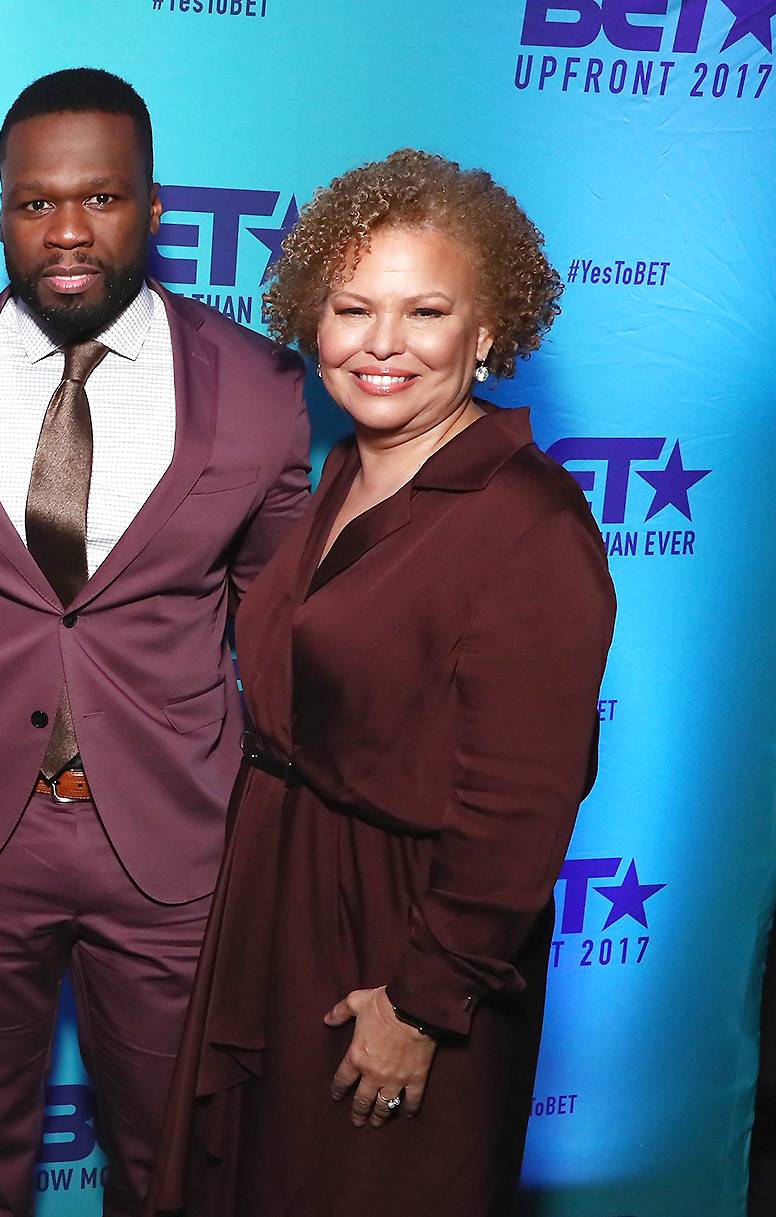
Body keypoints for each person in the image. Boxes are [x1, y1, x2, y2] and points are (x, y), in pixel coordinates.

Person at [0, 68, 312, 1215]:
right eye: (35, 203)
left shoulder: (260, 387)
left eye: (101, 198)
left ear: (155, 206)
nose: (67, 231)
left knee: (173, 1158)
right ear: (4, 209)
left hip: (171, 840)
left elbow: (285, 630)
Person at [147, 149, 617, 1216]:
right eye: (354, 308)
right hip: (284, 902)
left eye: (426, 311)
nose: (384, 344)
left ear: (488, 327)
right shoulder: (350, 471)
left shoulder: (528, 522)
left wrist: (423, 998)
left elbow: (524, 802)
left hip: (401, 948)